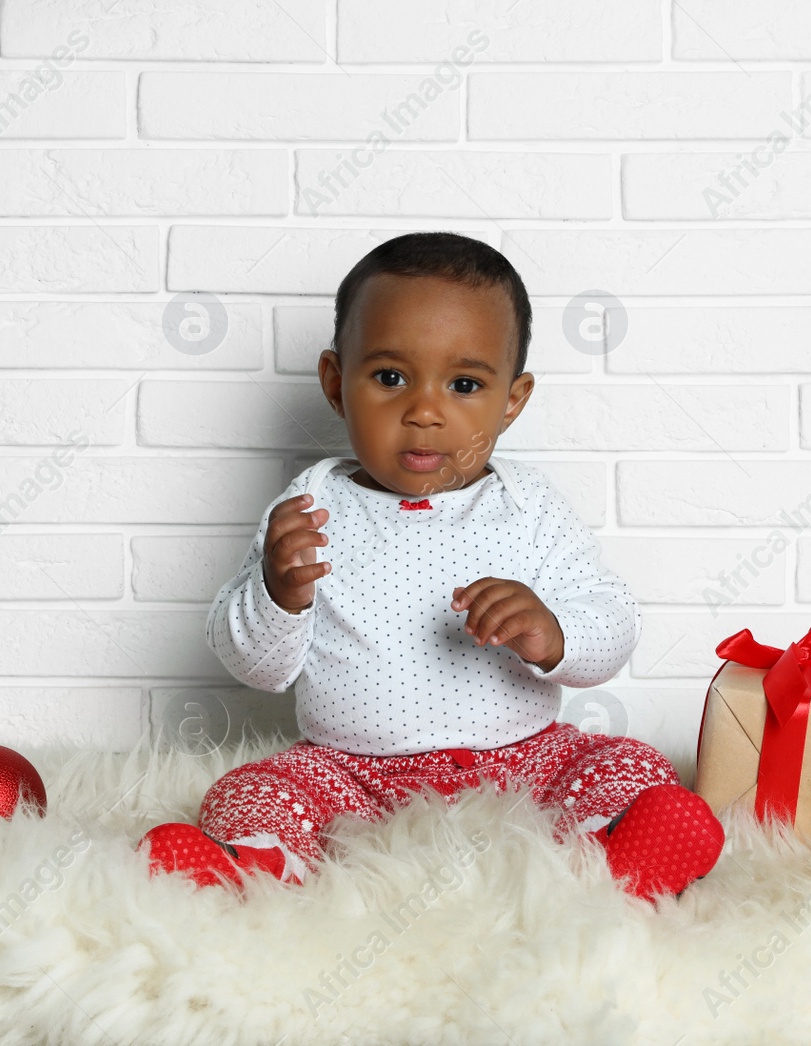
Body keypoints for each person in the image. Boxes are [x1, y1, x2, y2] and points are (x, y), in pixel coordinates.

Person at [138, 232, 724, 901]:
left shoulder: (526, 507)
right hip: (349, 772)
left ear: (512, 400)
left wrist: (554, 632)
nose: (423, 410)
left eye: (465, 384)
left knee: (625, 762)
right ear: (336, 383)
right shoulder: (312, 506)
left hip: (525, 759)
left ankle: (614, 848)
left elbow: (614, 622)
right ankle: (254, 864)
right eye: (390, 378)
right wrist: (279, 594)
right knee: (254, 789)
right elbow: (259, 670)